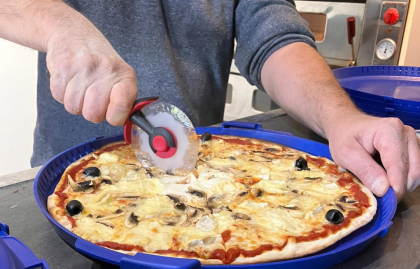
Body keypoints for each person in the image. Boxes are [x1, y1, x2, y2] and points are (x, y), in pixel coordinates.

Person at [1, 0, 419, 200]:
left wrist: (340, 118)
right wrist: (59, 24)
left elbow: (273, 33)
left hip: (204, 180)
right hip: (73, 179)